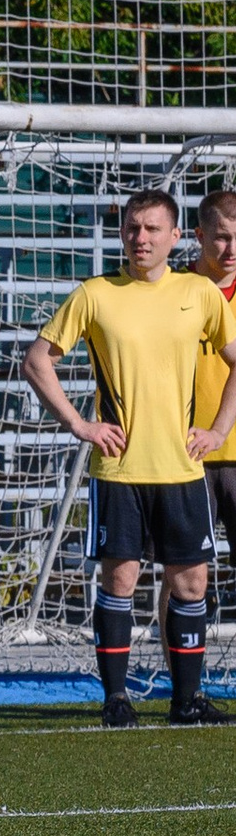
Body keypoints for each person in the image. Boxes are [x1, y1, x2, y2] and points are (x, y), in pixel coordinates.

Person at [22, 188, 236, 727]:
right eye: (133, 228)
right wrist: (79, 424)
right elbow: (37, 360)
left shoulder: (198, 293)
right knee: (119, 583)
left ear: (176, 237)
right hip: (119, 469)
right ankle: (116, 700)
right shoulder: (95, 294)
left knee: (191, 586)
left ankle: (186, 702)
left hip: (183, 468)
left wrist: (218, 429)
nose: (142, 238)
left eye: (153, 229)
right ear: (121, 233)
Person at [189, 188, 236, 572]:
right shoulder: (173, 290)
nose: (231, 248)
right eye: (222, 237)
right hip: (187, 453)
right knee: (183, 572)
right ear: (200, 235)